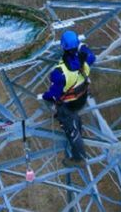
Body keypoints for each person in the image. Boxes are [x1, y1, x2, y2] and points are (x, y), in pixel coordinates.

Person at [41, 30, 95, 167]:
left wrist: (44, 96)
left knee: (72, 132)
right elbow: (91, 55)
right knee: (73, 115)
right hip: (81, 99)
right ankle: (76, 122)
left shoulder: (59, 73)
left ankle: (79, 158)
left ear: (63, 47)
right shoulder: (85, 61)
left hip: (69, 106)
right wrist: (81, 46)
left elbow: (53, 94)